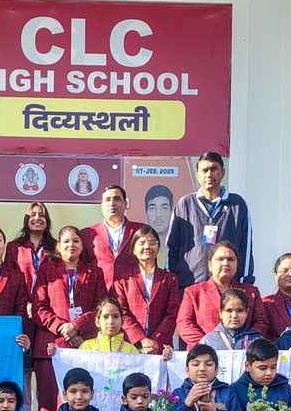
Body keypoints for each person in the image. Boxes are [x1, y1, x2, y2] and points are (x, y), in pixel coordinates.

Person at [32, 224, 104, 411]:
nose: (71, 244)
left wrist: (77, 327)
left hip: (83, 344)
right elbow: (38, 307)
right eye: (66, 241)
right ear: (58, 246)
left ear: (82, 246)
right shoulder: (46, 270)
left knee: (80, 397)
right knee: (49, 403)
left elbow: (101, 307)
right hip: (50, 344)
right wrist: (62, 327)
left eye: (76, 240)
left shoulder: (95, 273)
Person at [167, 151, 255, 288]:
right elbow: (171, 247)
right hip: (189, 286)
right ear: (197, 175)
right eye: (204, 170)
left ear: (223, 172)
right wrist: (171, 284)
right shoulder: (185, 204)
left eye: (214, 169)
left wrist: (245, 283)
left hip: (227, 289)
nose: (209, 174)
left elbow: (246, 248)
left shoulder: (237, 205)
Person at [177, 242, 267, 346]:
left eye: (230, 259)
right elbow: (184, 323)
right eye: (220, 259)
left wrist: (247, 343)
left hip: (244, 354)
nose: (225, 263)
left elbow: (261, 322)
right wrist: (208, 344)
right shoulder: (193, 292)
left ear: (237, 265)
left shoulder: (251, 292)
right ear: (210, 265)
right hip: (204, 355)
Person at [112, 225, 178, 358]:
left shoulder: (170, 279)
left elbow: (172, 313)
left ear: (158, 247)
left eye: (152, 243)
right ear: (133, 250)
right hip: (130, 345)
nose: (147, 246)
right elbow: (121, 311)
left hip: (161, 348)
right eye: (141, 243)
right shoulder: (122, 278)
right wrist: (142, 340)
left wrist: (155, 343)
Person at [81, 185, 146, 286]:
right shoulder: (87, 234)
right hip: (100, 296)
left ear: (125, 204)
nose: (112, 203)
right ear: (102, 206)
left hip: (133, 293)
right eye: (107, 200)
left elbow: (149, 265)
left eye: (117, 199)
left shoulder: (141, 231)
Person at [7, 201, 57, 291]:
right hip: (21, 301)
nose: (37, 218)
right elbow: (10, 280)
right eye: (33, 215)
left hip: (49, 301)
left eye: (42, 215)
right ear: (27, 219)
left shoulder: (57, 247)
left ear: (47, 220)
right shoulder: (14, 247)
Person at [259, 253, 291, 340]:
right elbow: (260, 333)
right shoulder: (265, 303)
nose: (290, 274)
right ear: (275, 276)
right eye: (284, 271)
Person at [201, 286, 261, 351]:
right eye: (229, 311)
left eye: (239, 310)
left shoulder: (258, 342)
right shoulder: (208, 342)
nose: (234, 316)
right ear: (220, 313)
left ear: (247, 312)